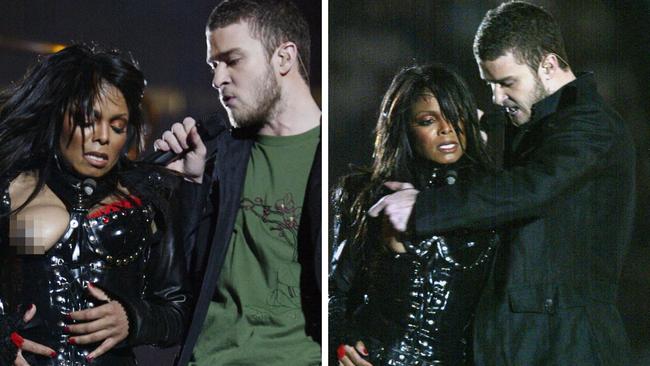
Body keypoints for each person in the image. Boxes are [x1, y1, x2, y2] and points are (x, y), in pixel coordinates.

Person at [370, 2, 635, 365]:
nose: (497, 97)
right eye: (490, 84)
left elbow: (532, 187)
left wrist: (423, 209)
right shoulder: (521, 127)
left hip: (569, 348)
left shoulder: (593, 128)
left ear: (549, 64)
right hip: (518, 344)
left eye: (507, 83)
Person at [0, 45, 191, 366]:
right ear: (57, 114)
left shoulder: (150, 199)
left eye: (118, 126)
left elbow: (178, 312)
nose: (103, 137)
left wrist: (133, 319)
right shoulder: (9, 187)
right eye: (89, 120)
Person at [153, 0, 321, 365]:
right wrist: (187, 188)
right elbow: (174, 289)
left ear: (283, 58)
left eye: (233, 60)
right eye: (214, 65)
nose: (217, 79)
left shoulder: (332, 159)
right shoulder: (219, 158)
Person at [329, 64, 498, 366]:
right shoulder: (365, 194)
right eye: (427, 120)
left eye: (455, 115)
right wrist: (341, 348)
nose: (446, 129)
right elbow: (333, 291)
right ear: (405, 127)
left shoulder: (489, 200)